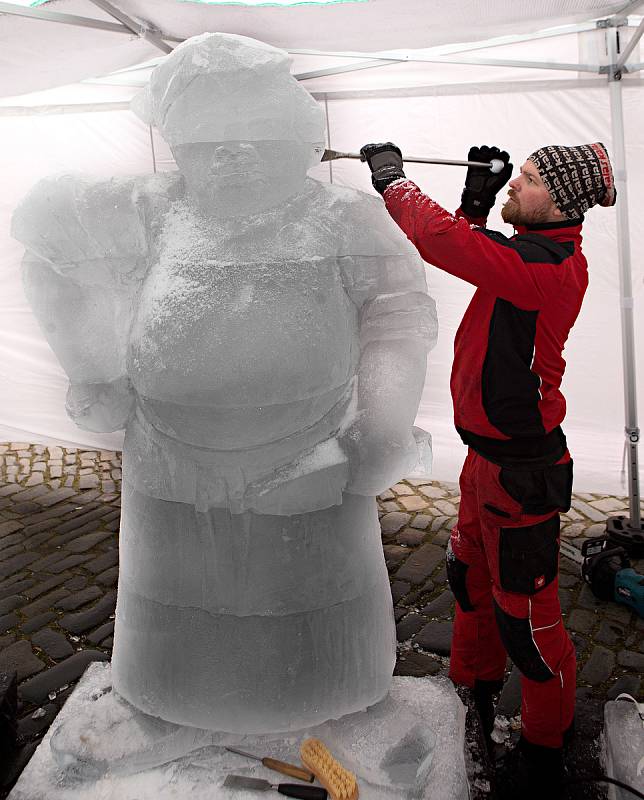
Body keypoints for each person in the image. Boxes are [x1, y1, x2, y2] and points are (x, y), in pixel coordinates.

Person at [360, 140, 616, 799]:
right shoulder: (523, 255)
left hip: (522, 471)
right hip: (483, 462)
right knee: (467, 578)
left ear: (558, 200)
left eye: (526, 180)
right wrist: (476, 201)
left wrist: (396, 184)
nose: (514, 186)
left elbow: (447, 246)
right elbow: (474, 250)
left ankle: (543, 750)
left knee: (527, 624)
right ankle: (470, 695)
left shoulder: (550, 266)